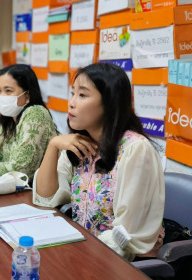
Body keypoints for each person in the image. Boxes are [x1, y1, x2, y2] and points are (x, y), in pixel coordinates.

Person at [33, 63, 165, 261]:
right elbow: (45, 199)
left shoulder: (135, 149)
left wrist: (76, 254)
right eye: (72, 93)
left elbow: (124, 235)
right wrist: (53, 146)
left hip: (124, 261)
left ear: (109, 103)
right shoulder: (80, 143)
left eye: (82, 95)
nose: (71, 103)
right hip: (86, 250)